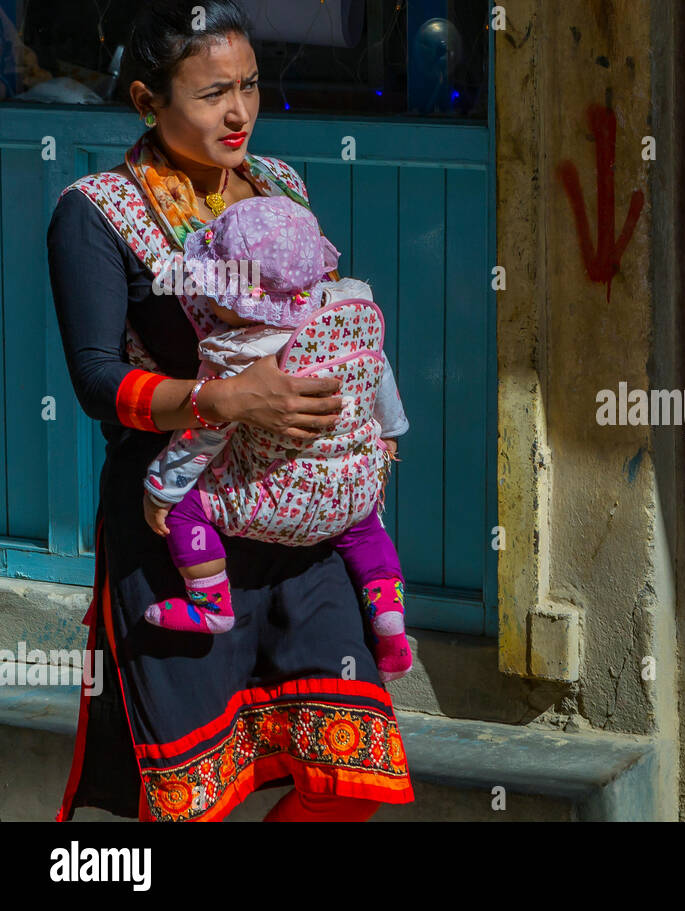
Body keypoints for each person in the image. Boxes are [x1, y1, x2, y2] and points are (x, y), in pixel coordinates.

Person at [46, 0, 415, 822]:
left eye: (248, 85)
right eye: (213, 93)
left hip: (300, 521)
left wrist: (363, 431)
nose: (240, 111)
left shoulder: (280, 184)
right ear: (148, 101)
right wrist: (227, 398)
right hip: (181, 528)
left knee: (350, 779)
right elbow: (96, 381)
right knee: (193, 802)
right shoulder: (97, 212)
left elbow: (316, 318)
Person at [139, 195, 413, 684]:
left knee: (184, 506)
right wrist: (388, 436)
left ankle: (211, 603)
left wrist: (160, 488)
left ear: (232, 296)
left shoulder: (236, 353)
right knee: (365, 524)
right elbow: (380, 377)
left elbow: (202, 437)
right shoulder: (348, 322)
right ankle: (389, 622)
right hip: (344, 490)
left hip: (267, 502)